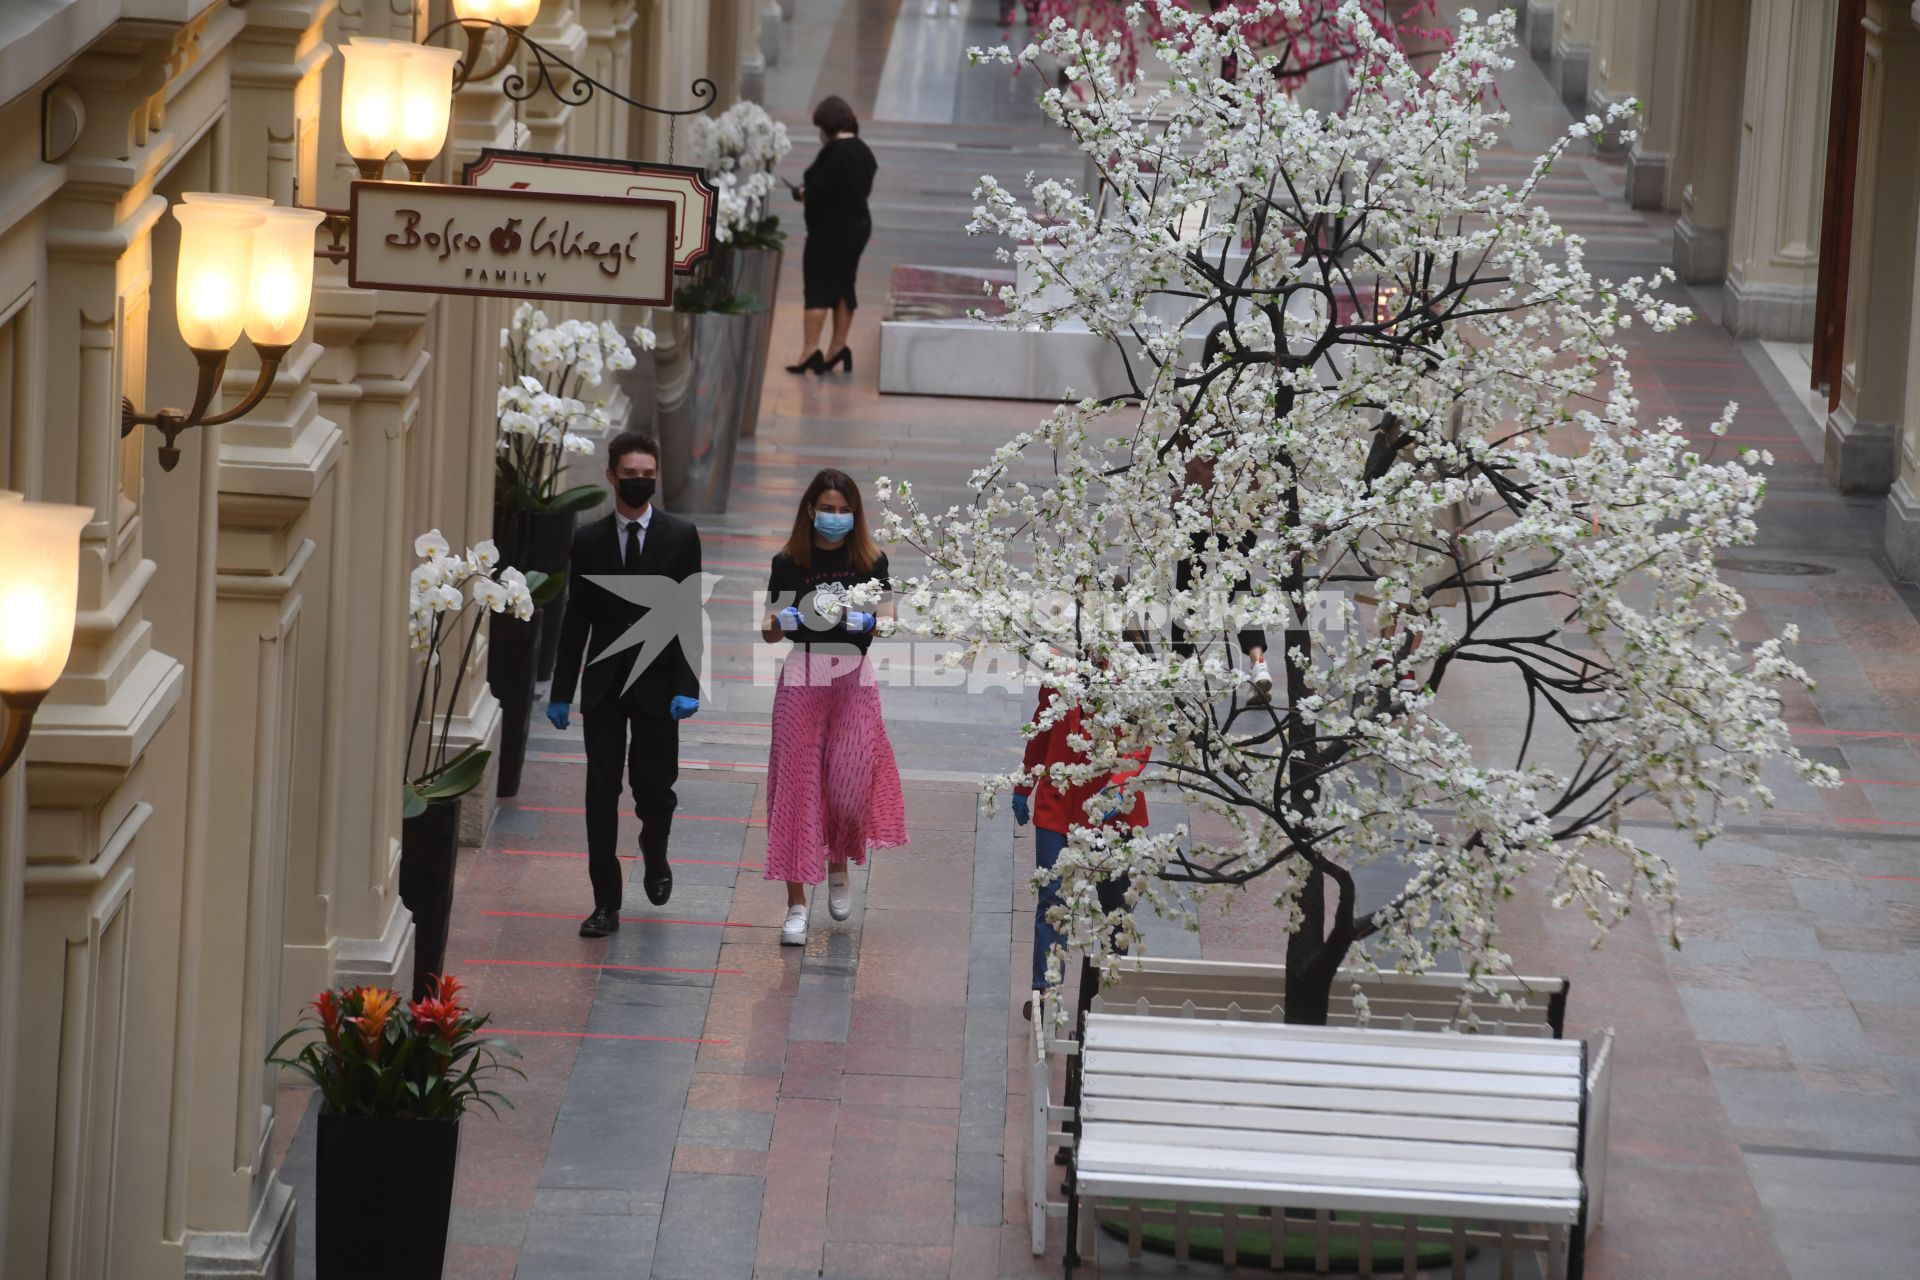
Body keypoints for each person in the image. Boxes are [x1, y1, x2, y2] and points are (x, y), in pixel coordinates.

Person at [546, 432, 703, 938]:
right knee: (599, 794)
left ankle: (654, 852)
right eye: (630, 474)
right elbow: (577, 619)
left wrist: (688, 684)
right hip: (606, 686)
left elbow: (687, 617)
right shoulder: (588, 540)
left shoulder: (681, 536)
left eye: (648, 474)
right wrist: (561, 691)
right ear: (611, 476)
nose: (641, 482)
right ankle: (605, 903)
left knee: (654, 792)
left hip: (659, 687)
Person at [760, 469, 908, 945]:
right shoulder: (789, 561)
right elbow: (768, 627)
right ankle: (796, 905)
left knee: (850, 782)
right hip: (804, 676)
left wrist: (873, 619)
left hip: (852, 678)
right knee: (797, 790)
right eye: (828, 508)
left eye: (845, 511)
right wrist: (780, 620)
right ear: (810, 509)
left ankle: (839, 864)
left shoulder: (870, 559)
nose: (836, 517)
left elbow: (888, 621)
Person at [1011, 684, 1149, 1012]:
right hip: (1058, 807)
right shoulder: (1058, 675)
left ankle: (1108, 992)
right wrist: (1024, 783)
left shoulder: (1132, 676)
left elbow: (1138, 743)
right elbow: (1042, 730)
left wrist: (1119, 786)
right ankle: (1046, 991)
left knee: (1114, 905)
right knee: (1052, 898)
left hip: (1111, 811)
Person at [785, 96, 878, 376]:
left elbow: (818, 193)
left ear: (827, 126)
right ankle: (838, 347)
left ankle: (810, 351)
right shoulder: (863, 151)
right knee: (843, 285)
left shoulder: (835, 152)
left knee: (817, 287)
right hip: (858, 225)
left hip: (830, 231)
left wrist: (801, 192)